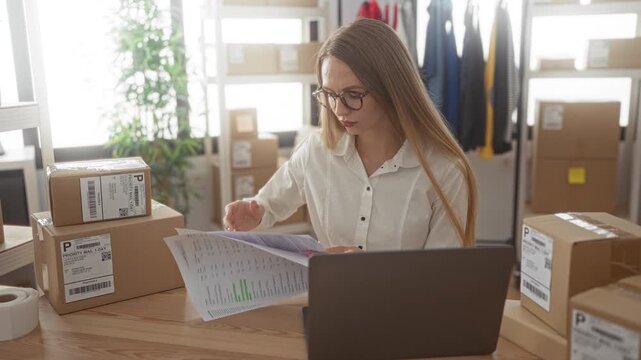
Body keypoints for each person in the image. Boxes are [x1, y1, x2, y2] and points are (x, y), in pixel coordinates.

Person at [223, 18, 478, 251]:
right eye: (330, 94)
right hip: (332, 298)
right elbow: (266, 206)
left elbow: (442, 278)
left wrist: (362, 270)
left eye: (353, 95)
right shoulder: (315, 151)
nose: (338, 109)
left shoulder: (444, 172)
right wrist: (251, 213)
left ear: (391, 89)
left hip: (406, 303)